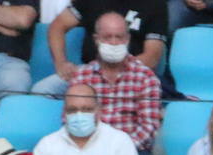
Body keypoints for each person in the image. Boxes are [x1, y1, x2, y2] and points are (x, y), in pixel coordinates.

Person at [66, 11, 162, 155]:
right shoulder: (81, 77)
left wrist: (117, 151)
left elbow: (148, 129)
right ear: (96, 40)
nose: (114, 43)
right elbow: (69, 120)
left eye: (119, 37)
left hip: (132, 150)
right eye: (107, 37)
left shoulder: (145, 77)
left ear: (127, 39)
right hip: (87, 150)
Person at [31, 0, 166, 96]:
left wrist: (113, 70)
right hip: (89, 73)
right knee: (42, 90)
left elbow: (152, 56)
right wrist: (61, 63)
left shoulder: (155, 4)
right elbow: (57, 27)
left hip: (131, 76)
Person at [31, 80, 140, 155]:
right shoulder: (47, 145)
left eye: (86, 109)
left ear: (98, 110)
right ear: (64, 112)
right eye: (72, 110)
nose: (79, 115)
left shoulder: (120, 142)